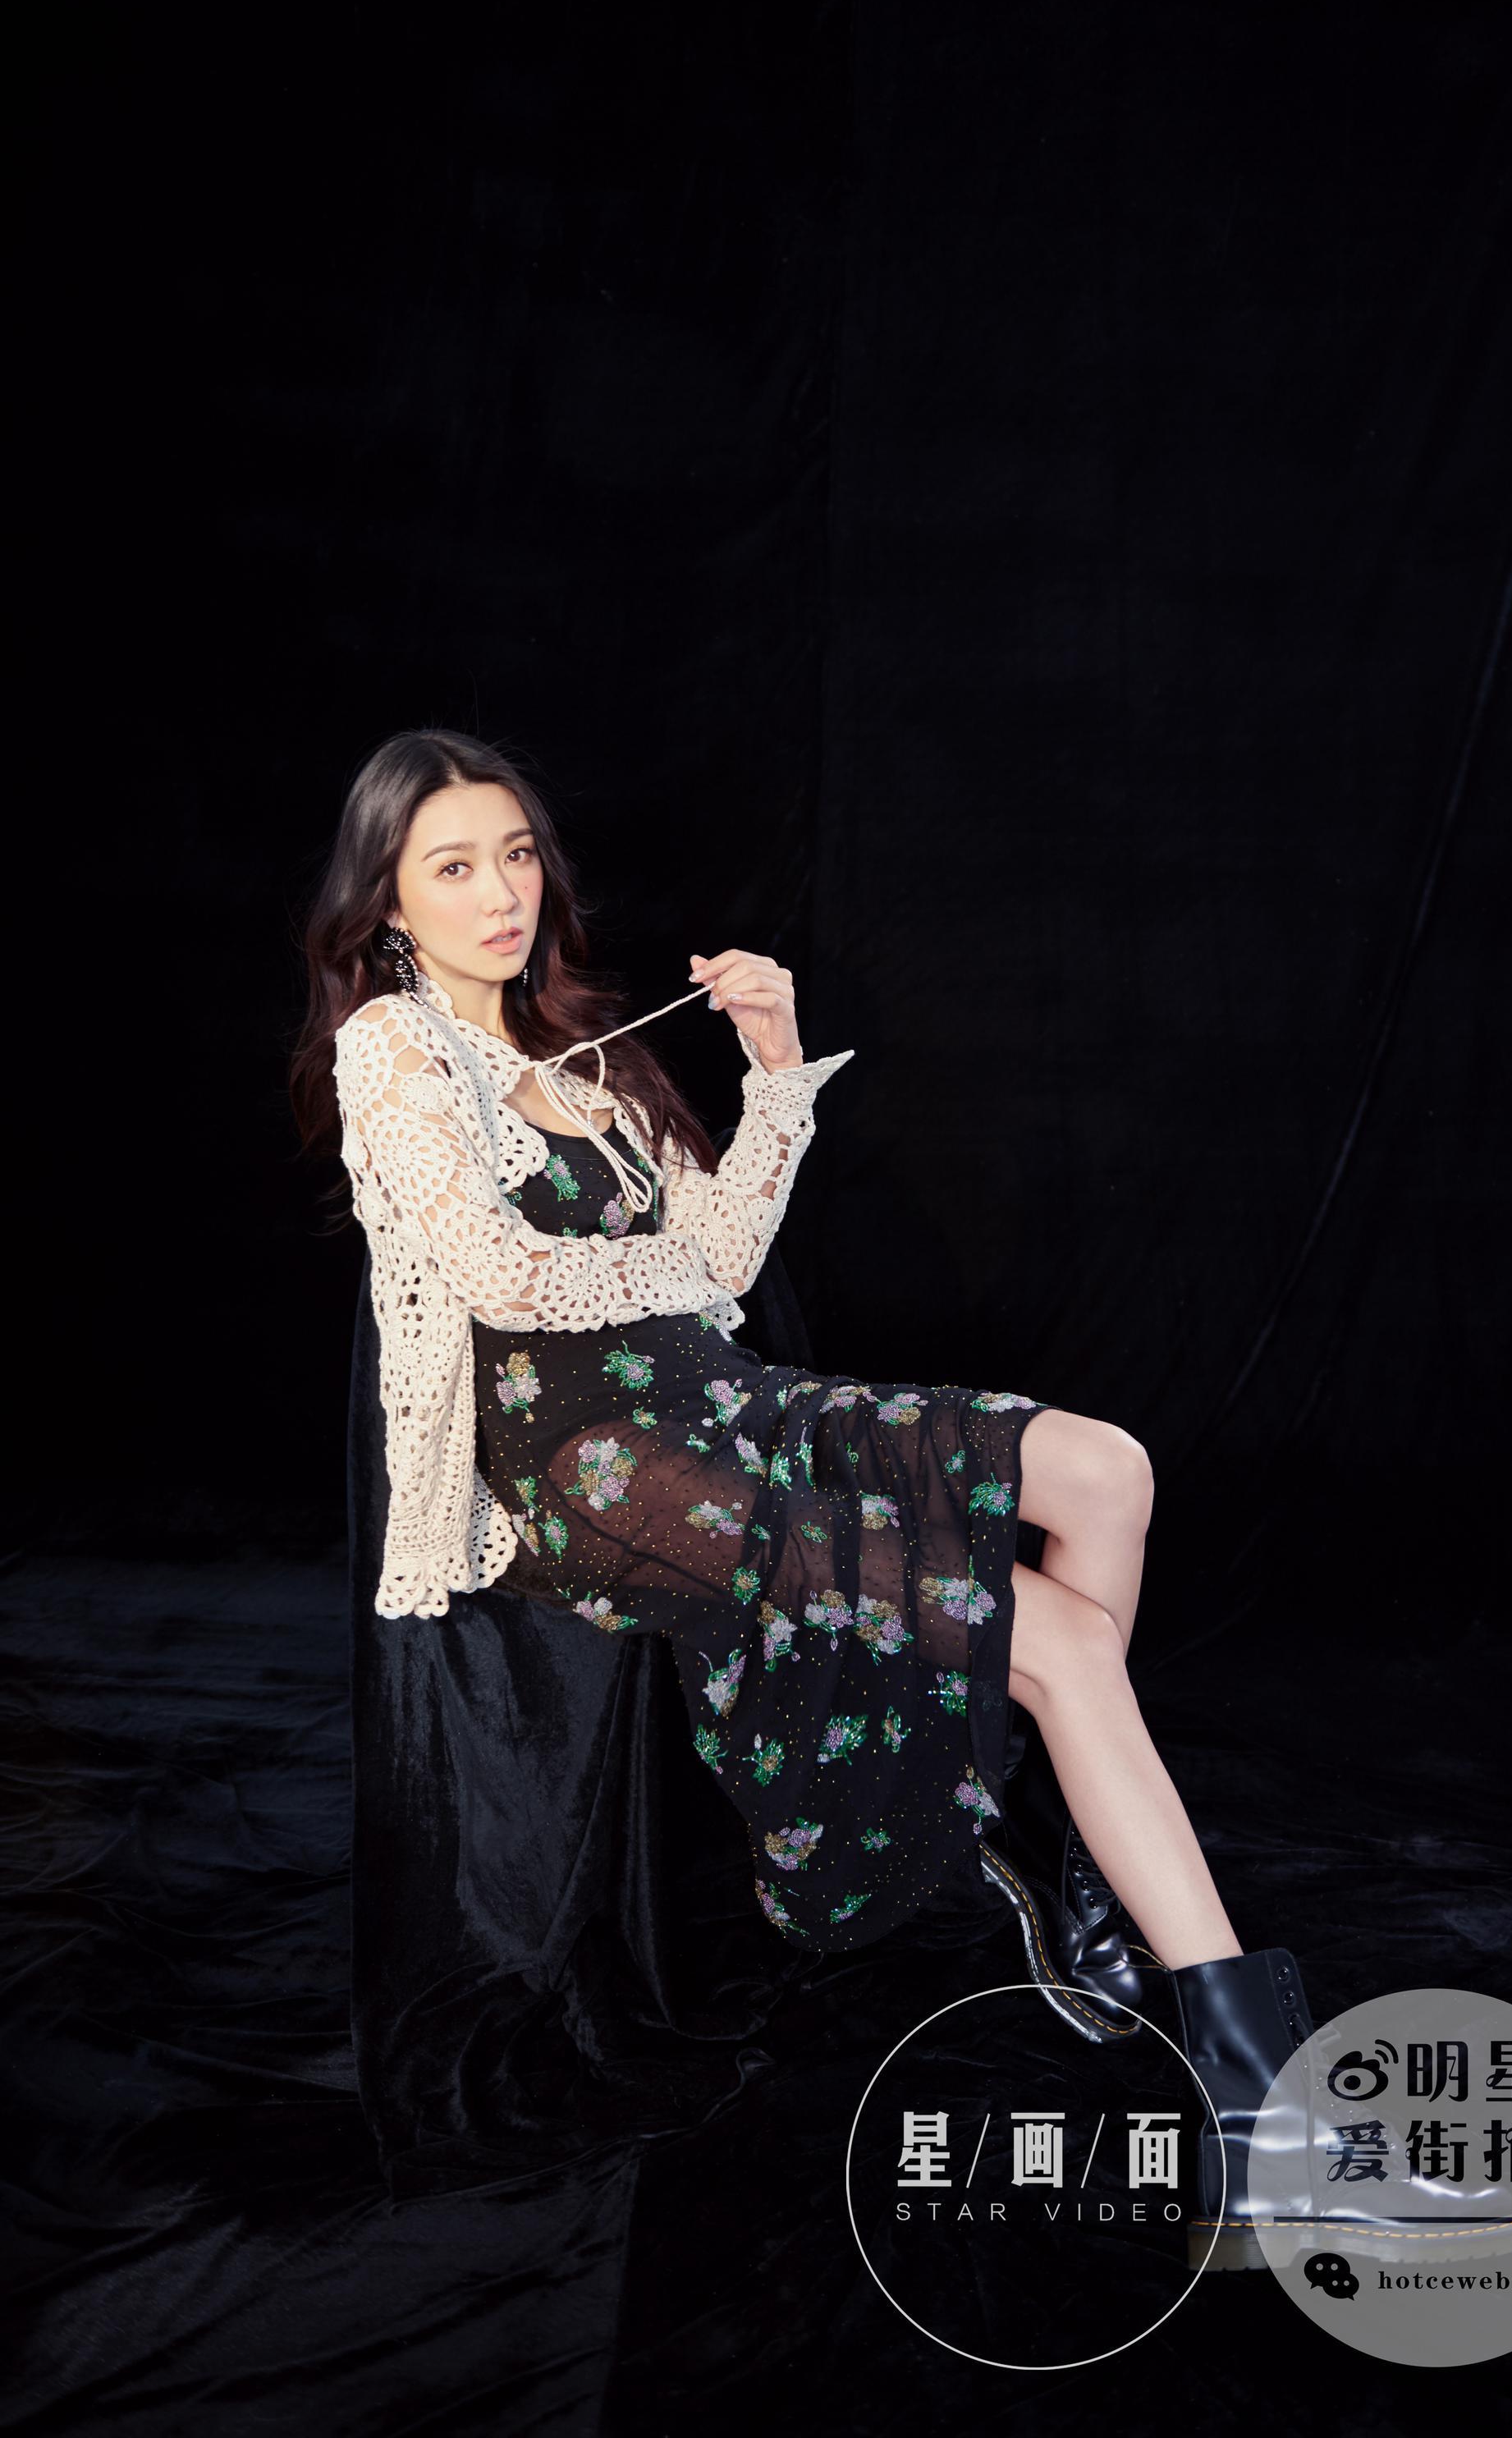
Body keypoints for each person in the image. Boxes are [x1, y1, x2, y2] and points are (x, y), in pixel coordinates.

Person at [290, 729, 1314, 2269]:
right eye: (454, 867)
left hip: (720, 1400)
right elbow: (506, 1278)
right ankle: (1265, 2122)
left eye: (516, 855)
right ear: (387, 903)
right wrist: (668, 1280)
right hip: (592, 1464)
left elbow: (726, 1257)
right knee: (1055, 1643)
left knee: (1109, 1468)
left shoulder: (586, 1048)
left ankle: (1089, 1873)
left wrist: (774, 1069)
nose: (501, 894)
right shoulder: (396, 1050)